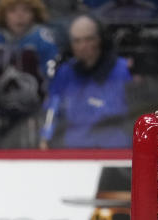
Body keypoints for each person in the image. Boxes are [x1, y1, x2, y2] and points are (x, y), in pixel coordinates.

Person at [39, 14, 133, 148]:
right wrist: (46, 137)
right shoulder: (65, 72)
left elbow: (134, 111)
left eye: (89, 39)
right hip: (74, 151)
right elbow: (52, 109)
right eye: (77, 41)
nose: (83, 46)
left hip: (115, 150)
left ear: (100, 40)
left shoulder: (123, 69)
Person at [0, 0, 59, 148]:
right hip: (0, 113)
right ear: (3, 15)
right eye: (13, 11)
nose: (19, 16)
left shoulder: (42, 38)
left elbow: (52, 78)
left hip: (35, 113)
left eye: (25, 11)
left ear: (34, 13)